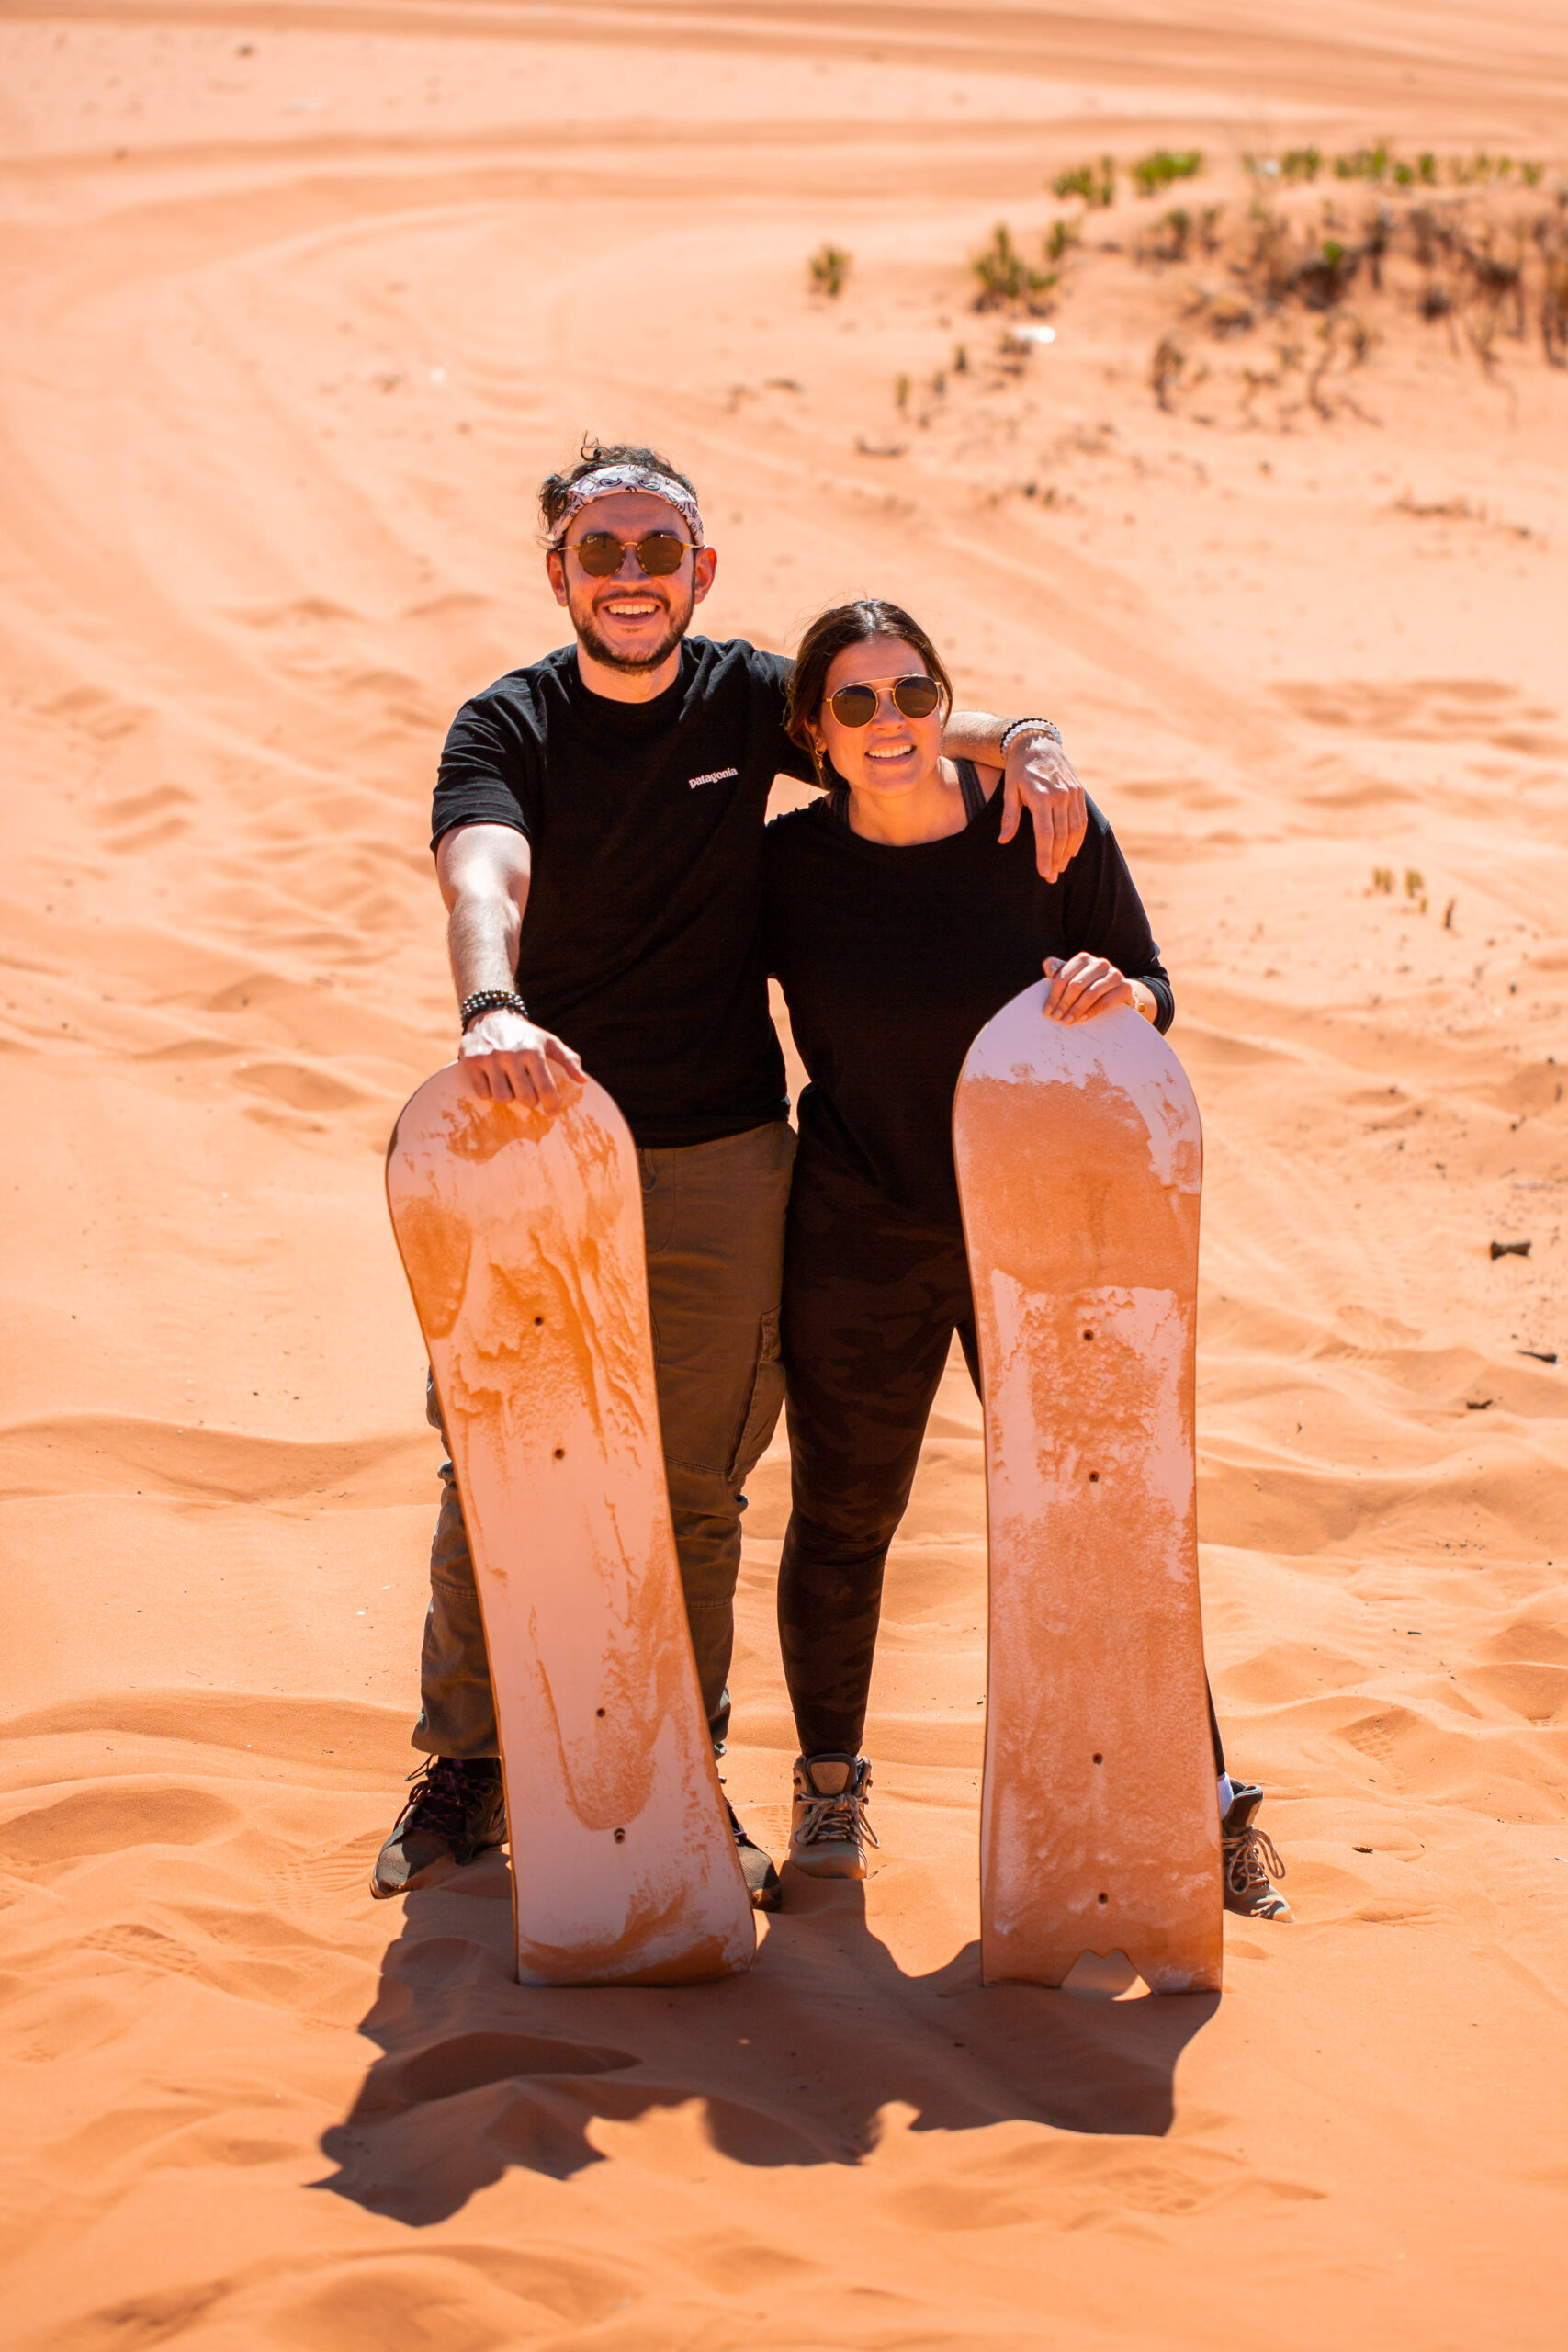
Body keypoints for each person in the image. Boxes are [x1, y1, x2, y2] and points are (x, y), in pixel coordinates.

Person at [372, 441, 1096, 1905]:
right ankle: (469, 1768)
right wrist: (488, 999)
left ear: (701, 571)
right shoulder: (504, 722)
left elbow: (889, 716)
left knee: (698, 1491)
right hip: (534, 1139)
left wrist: (1028, 741)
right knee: (491, 1469)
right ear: (558, 572)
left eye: (659, 552)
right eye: (601, 552)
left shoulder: (745, 696)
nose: (630, 579)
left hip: (718, 1151)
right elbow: (480, 870)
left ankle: (681, 1773)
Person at [762, 597, 1290, 1923]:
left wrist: (1131, 997)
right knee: (843, 1519)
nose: (891, 724)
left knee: (1110, 1523)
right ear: (816, 734)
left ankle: (1201, 1802)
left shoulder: (1041, 831)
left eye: (914, 694)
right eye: (857, 703)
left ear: (950, 702)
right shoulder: (784, 869)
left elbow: (1159, 986)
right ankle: (830, 1791)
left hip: (1050, 1238)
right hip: (859, 1234)